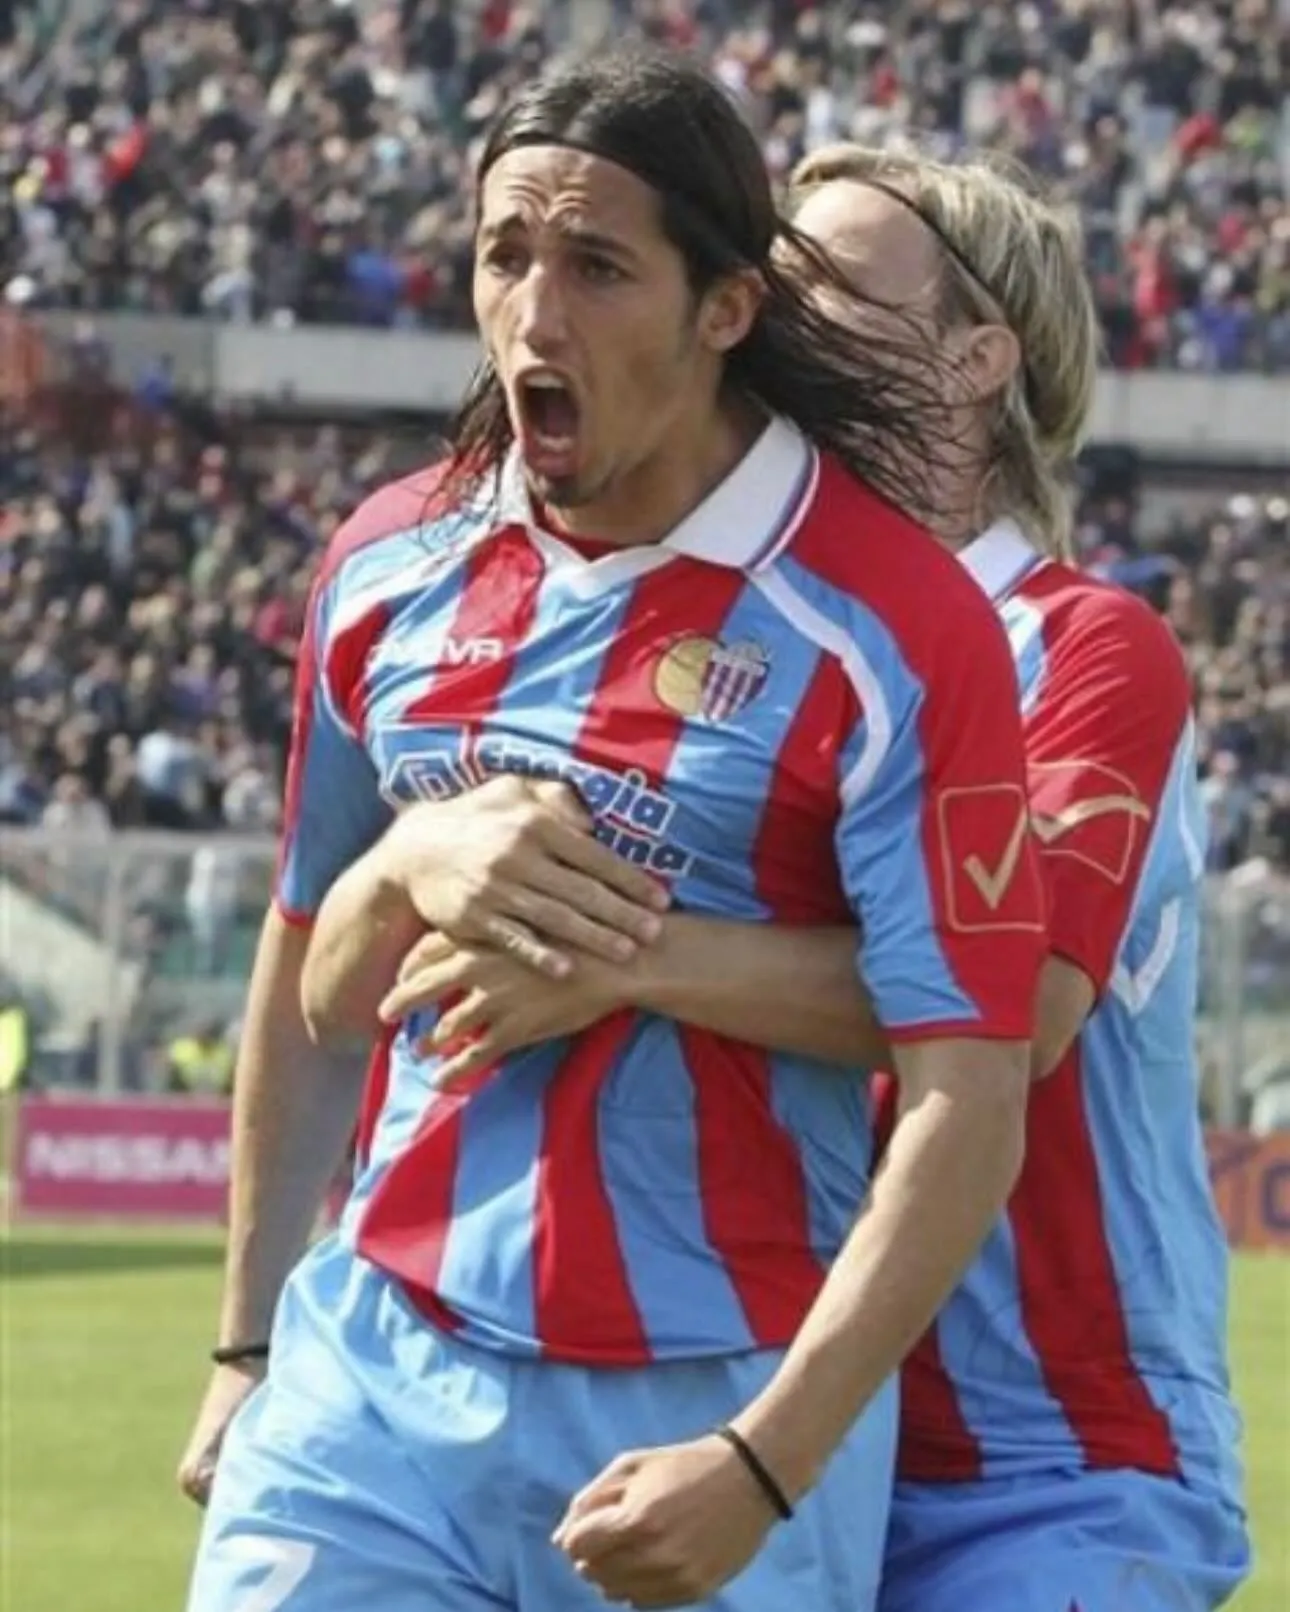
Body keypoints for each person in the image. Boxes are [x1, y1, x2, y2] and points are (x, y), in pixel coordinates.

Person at [180, 45, 1046, 1612]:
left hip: (709, 1399)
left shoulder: (890, 626)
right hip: (377, 1370)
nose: (533, 312)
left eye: (595, 266)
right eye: (505, 255)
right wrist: (247, 1343)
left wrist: (766, 1461)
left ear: (724, 310)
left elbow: (966, 1090)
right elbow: (312, 971)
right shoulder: (387, 564)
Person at [324, 145, 1250, 1609]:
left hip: (1047, 1460)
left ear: (974, 360)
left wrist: (598, 949)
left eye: (827, 284)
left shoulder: (1076, 648)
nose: (779, 315)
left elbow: (1023, 1013)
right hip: (776, 1407)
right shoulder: (769, 635)